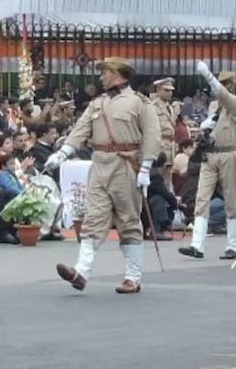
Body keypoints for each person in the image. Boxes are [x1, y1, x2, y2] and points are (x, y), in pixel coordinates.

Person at [45, 57, 161, 294]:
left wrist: (146, 167)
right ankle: (81, 272)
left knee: (128, 220)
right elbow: (80, 130)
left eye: (104, 72)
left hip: (126, 165)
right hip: (99, 164)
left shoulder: (139, 103)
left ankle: (132, 276)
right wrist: (63, 153)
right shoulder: (97, 103)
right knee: (93, 218)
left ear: (117, 74)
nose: (101, 77)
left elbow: (152, 135)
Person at [178, 65, 236, 260]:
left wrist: (209, 76)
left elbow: (225, 97)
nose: (222, 88)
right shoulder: (214, 106)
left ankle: (233, 245)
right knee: (202, 198)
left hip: (227, 153)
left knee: (232, 198)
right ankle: (197, 245)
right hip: (210, 154)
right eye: (221, 83)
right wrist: (204, 128)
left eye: (226, 84)